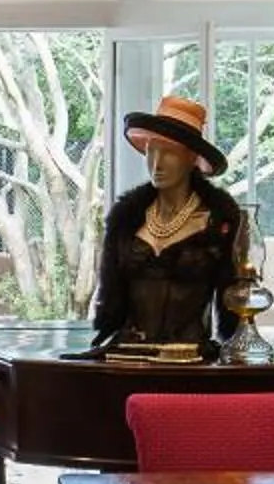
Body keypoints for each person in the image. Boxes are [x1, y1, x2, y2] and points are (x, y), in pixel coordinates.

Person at [90, 93, 242, 354]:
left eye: (169, 153)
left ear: (191, 158)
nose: (157, 164)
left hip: (191, 364)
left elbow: (233, 302)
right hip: (126, 361)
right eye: (151, 151)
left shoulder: (218, 222)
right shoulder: (126, 219)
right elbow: (112, 293)